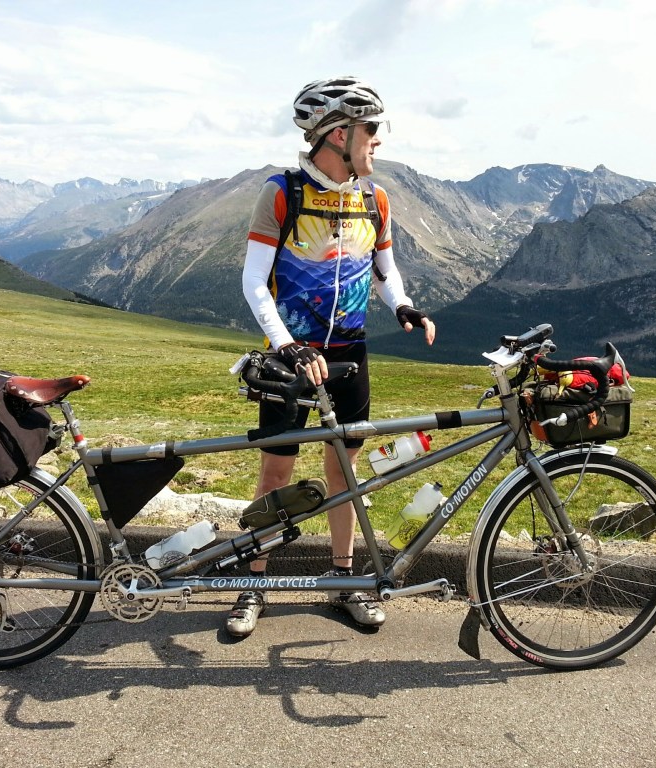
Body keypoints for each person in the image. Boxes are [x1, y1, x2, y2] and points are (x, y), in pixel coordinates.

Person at [227, 76, 436, 638]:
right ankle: (255, 583)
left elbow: (385, 269)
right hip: (290, 356)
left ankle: (344, 579)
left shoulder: (376, 198)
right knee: (276, 468)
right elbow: (252, 283)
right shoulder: (283, 192)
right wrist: (288, 346)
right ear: (339, 134)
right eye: (372, 131)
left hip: (350, 353)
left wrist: (405, 307)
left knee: (343, 467)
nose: (378, 142)